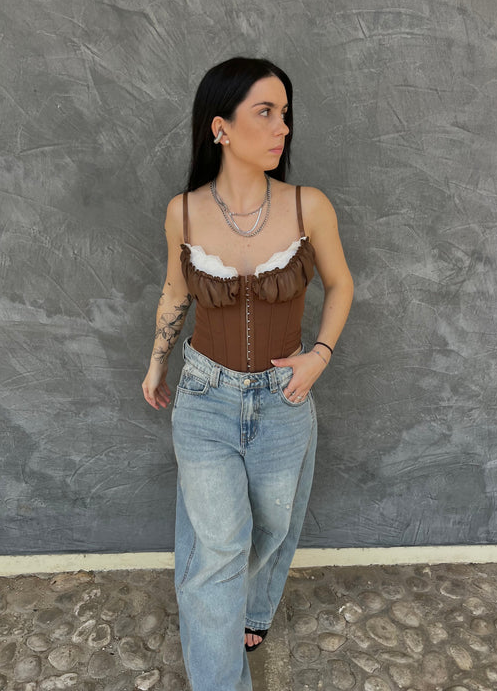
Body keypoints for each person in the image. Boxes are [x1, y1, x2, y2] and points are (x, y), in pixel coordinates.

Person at [142, 56, 354, 691]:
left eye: (285, 114)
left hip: (284, 397)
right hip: (205, 395)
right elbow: (175, 292)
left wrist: (320, 355)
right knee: (218, 550)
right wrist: (157, 362)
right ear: (221, 127)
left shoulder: (308, 206)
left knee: (271, 528)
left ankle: (253, 610)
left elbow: (342, 285)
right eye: (265, 112)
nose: (282, 127)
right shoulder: (183, 213)